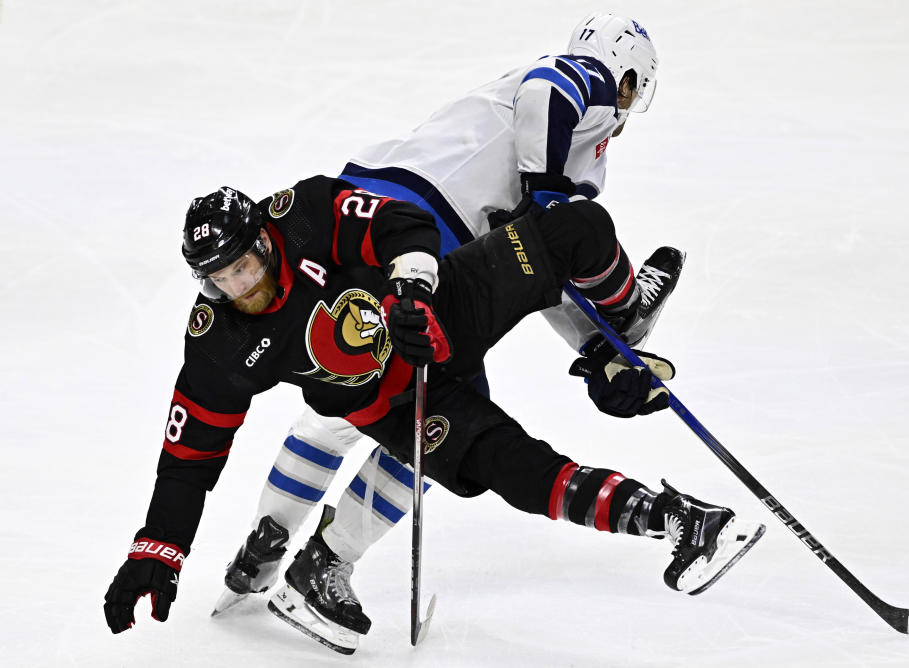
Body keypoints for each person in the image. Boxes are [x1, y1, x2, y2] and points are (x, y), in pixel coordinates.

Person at [102, 178, 765, 656]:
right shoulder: (217, 340)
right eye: (220, 280)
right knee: (517, 469)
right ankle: (673, 520)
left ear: (263, 242)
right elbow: (189, 456)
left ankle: (621, 317)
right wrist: (157, 547)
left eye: (243, 267)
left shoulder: (299, 214)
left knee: (577, 229)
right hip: (400, 407)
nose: (240, 288)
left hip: (445, 307)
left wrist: (410, 289)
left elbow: (400, 220)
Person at [213, 11, 685, 636]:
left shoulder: (522, 128)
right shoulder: (578, 92)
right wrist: (552, 202)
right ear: (627, 80)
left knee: (347, 399)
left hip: (351, 226)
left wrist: (597, 347)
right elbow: (553, 91)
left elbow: (535, 268)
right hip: (417, 241)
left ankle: (264, 543)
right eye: (632, 89)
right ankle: (322, 565)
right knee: (439, 424)